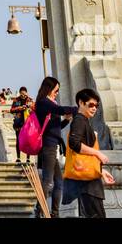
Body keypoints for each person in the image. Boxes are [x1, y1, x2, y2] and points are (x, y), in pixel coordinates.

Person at [66, 88, 114, 219]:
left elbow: (85, 155)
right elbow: (74, 143)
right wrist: (98, 154)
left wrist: (101, 172)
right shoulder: (79, 120)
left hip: (89, 181)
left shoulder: (84, 120)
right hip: (87, 184)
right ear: (81, 103)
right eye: (91, 105)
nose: (94, 108)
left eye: (96, 106)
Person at [33, 76, 76, 219]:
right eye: (56, 90)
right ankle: (39, 210)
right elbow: (60, 109)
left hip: (52, 146)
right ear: (49, 88)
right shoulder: (44, 102)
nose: (57, 93)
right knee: (48, 181)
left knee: (58, 181)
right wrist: (77, 109)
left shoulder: (47, 103)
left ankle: (54, 213)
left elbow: (55, 128)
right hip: (48, 147)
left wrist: (66, 121)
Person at [9, 87, 32, 162]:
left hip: (27, 123)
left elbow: (35, 109)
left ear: (26, 92)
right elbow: (11, 110)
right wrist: (20, 108)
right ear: (19, 93)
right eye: (21, 93)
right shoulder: (16, 100)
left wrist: (29, 107)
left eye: (24, 93)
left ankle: (28, 158)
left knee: (28, 141)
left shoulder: (30, 100)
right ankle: (18, 158)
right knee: (18, 140)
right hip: (18, 123)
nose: (23, 95)